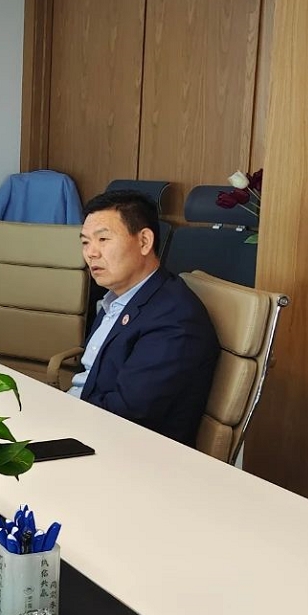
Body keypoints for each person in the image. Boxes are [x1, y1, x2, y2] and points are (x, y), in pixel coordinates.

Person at [68, 190, 219, 445]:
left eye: (103, 239)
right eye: (85, 242)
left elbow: (127, 414)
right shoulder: (116, 298)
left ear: (144, 242)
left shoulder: (174, 318)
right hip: (84, 422)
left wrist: (60, 415)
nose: (91, 252)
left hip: (120, 447)